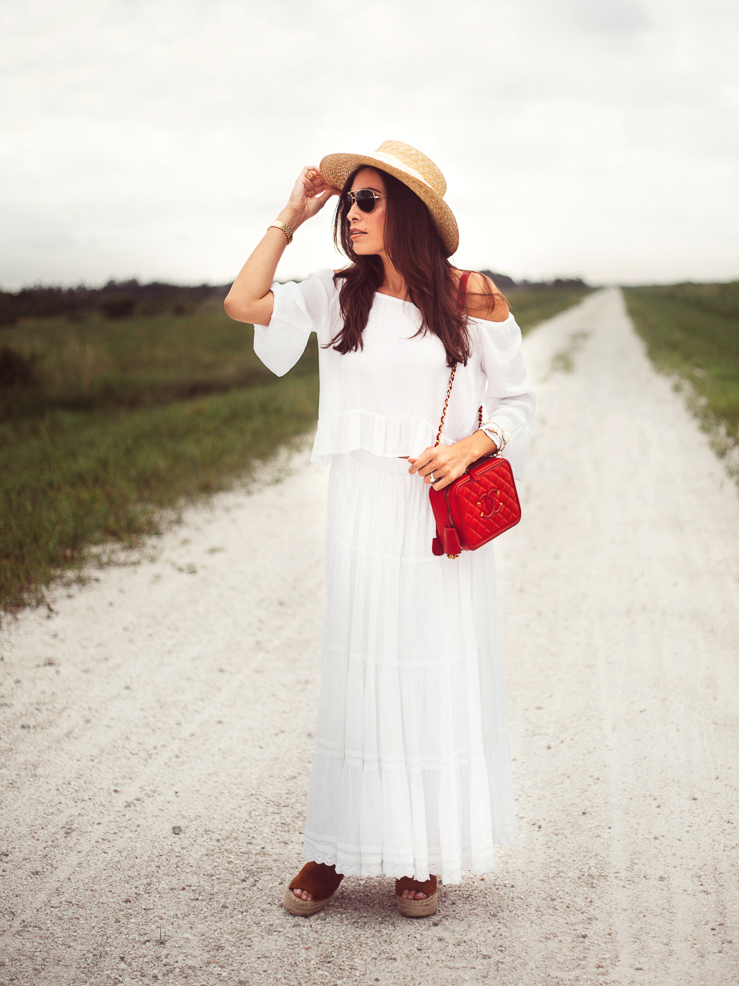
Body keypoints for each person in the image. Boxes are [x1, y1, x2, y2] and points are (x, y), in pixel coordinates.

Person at [224, 140, 535, 918]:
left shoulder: (471, 295)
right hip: (363, 506)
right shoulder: (335, 293)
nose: (352, 215)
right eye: (347, 203)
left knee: (426, 671)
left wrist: (470, 446)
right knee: (362, 672)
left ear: (410, 211)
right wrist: (290, 218)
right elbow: (242, 304)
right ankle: (334, 847)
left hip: (437, 513)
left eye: (367, 201)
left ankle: (417, 855)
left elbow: (520, 405)